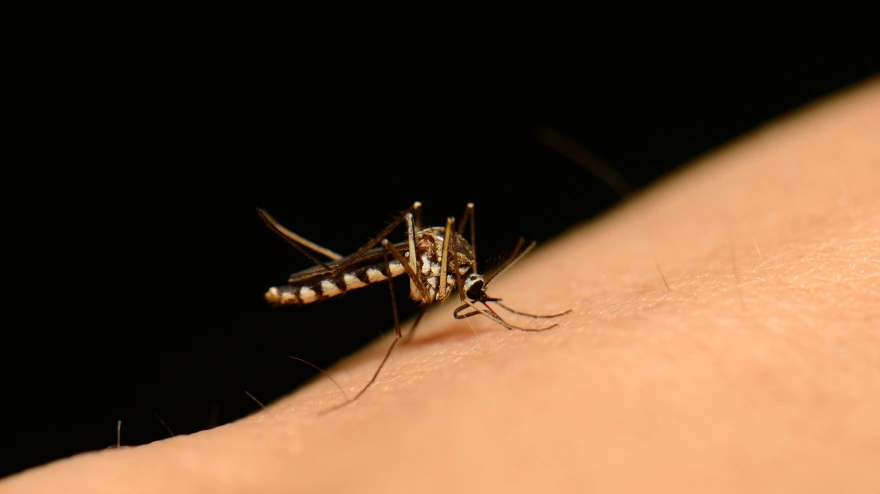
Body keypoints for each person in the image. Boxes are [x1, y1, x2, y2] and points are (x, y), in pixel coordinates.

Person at [3, 79, 878, 493]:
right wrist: (352, 273)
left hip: (403, 267)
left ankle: (339, 265)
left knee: (434, 234)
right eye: (480, 293)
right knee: (422, 229)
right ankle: (330, 262)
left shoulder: (462, 278)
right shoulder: (443, 271)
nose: (478, 299)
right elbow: (427, 263)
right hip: (375, 265)